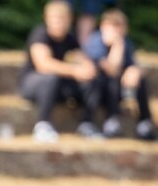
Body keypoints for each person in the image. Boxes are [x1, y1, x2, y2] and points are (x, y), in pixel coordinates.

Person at [19, 0, 101, 143]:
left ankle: (87, 124)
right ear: (46, 18)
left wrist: (88, 67)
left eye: (62, 18)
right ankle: (42, 125)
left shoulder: (70, 39)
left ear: (69, 19)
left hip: (58, 86)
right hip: (33, 84)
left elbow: (80, 58)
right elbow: (43, 65)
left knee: (90, 79)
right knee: (51, 78)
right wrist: (74, 70)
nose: (58, 22)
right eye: (55, 18)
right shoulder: (40, 34)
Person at [83, 8, 155, 141]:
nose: (117, 31)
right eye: (113, 26)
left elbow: (132, 63)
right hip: (98, 92)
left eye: (120, 27)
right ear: (103, 26)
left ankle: (144, 123)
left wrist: (134, 70)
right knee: (112, 79)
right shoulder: (95, 41)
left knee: (140, 80)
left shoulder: (126, 42)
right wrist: (117, 44)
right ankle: (109, 121)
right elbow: (111, 69)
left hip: (119, 90)